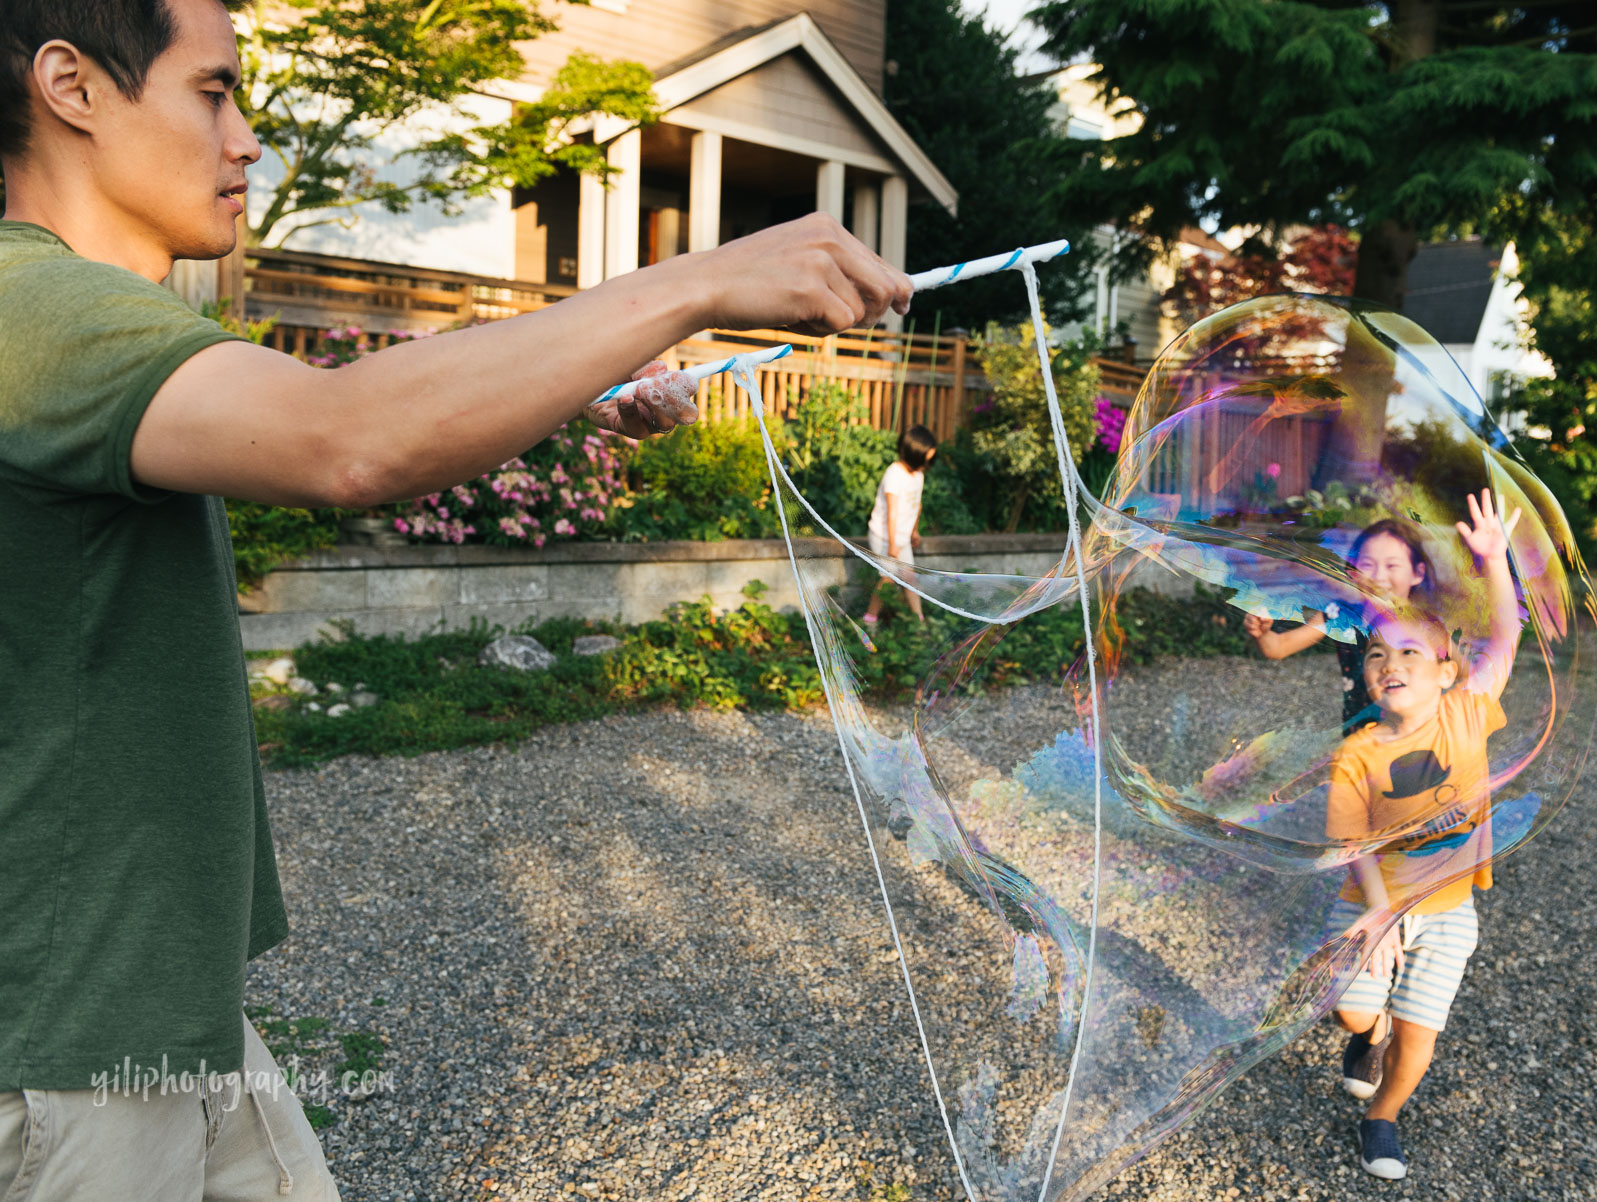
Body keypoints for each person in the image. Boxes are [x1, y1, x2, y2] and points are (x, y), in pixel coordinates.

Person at [0, 0, 912, 1198]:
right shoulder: (33, 309)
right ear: (71, 87)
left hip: (155, 1001)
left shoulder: (87, 320)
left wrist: (571, 388)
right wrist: (698, 279)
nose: (247, 143)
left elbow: (314, 406)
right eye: (213, 93)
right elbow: (347, 439)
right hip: (69, 1048)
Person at [1322, 489, 1523, 1181]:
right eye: (1378, 654)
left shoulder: (1469, 714)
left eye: (1411, 650)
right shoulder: (1357, 754)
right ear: (1369, 675)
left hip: (1446, 908)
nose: (1391, 662)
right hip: (1372, 901)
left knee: (1419, 1033)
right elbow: (1353, 846)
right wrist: (1377, 914)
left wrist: (1494, 560)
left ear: (1446, 672)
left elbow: (1506, 635)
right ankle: (1364, 1034)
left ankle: (1383, 1116)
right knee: (1353, 1014)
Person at [1243, 518, 1440, 734]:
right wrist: (1262, 634)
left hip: (1418, 737)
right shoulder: (1341, 614)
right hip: (1361, 739)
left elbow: (1463, 669)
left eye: (1392, 565)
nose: (1379, 576)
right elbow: (1278, 648)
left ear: (1417, 573)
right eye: (1367, 565)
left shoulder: (1426, 626)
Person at [861, 424, 937, 625]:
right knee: (889, 579)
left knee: (910, 578)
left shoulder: (918, 475)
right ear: (914, 455)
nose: (926, 465)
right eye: (925, 460)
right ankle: (870, 619)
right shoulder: (894, 474)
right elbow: (892, 513)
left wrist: (914, 531)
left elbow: (916, 506)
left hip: (901, 537)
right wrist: (893, 544)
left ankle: (918, 622)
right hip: (885, 537)